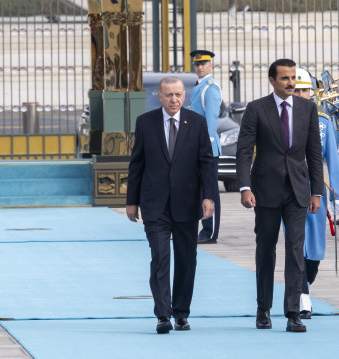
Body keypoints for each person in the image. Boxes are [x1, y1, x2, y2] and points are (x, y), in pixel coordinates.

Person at [236, 59, 324, 333]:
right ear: (272, 80)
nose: (290, 83)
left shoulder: (308, 108)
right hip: (265, 191)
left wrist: (317, 191)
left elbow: (314, 153)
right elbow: (243, 151)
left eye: (293, 77)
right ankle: (263, 308)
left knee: (296, 252)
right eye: (284, 78)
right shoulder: (256, 109)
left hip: (297, 190)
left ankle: (293, 312)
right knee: (265, 251)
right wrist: (245, 187)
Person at [126, 76, 215, 334]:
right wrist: (132, 201)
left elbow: (206, 163)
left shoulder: (197, 123)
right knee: (161, 258)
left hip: (187, 204)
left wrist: (208, 196)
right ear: (159, 97)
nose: (174, 99)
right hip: (155, 205)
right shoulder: (145, 123)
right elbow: (137, 164)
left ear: (184, 96)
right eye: (168, 95)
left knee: (187, 260)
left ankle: (181, 314)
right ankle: (163, 315)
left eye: (178, 94)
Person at [292, 67, 339, 319]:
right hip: (288, 190)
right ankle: (302, 296)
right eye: (297, 90)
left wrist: (338, 196)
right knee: (296, 243)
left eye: (305, 90)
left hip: (315, 190)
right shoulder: (282, 119)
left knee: (315, 249)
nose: (301, 95)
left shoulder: (323, 122)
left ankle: (305, 285)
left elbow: (332, 160)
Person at [189, 50, 223, 245]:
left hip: (207, 147)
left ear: (211, 65)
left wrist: (205, 147)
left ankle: (210, 232)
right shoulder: (199, 86)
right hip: (198, 146)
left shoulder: (210, 87)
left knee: (210, 191)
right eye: (197, 64)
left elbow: (211, 120)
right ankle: (203, 227)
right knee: (201, 189)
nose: (200, 67)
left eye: (203, 63)